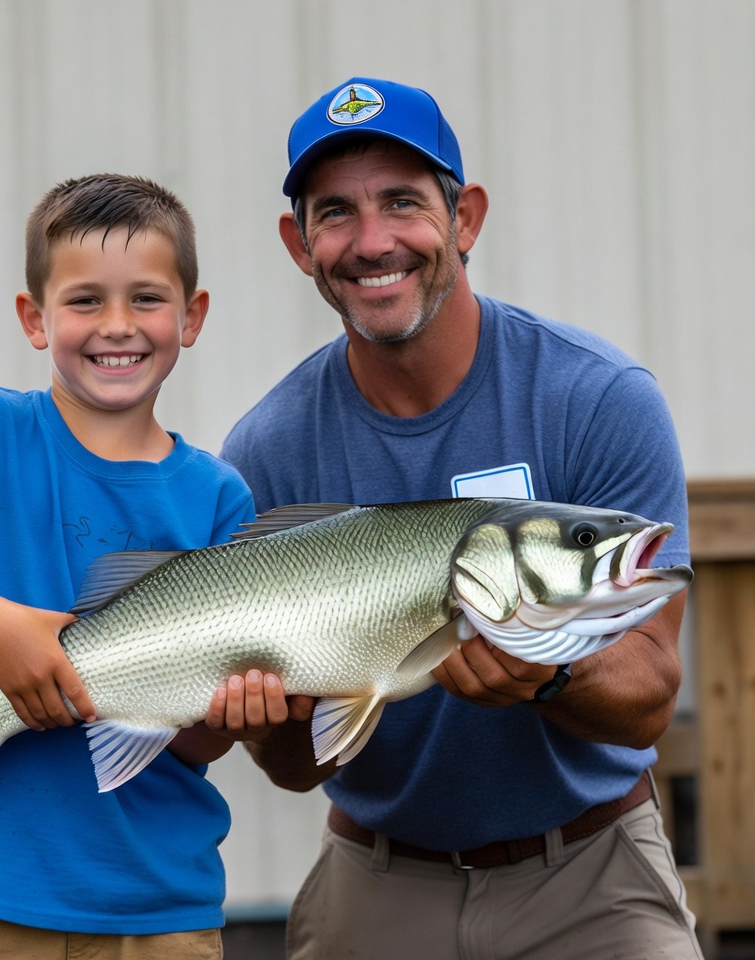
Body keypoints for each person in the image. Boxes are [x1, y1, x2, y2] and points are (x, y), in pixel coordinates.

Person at [217, 78, 703, 959]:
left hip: (591, 874)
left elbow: (648, 698)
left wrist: (548, 674)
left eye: (403, 201)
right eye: (336, 213)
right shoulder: (265, 450)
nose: (373, 243)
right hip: (378, 876)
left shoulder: (596, 398)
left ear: (466, 217)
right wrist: (263, 718)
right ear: (299, 244)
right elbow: (295, 770)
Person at [0, 173, 274, 959]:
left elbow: (196, 746)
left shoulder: (219, 496)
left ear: (193, 316)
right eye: (85, 301)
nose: (118, 326)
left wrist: (229, 715)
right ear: (34, 318)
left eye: (147, 298)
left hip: (166, 907)